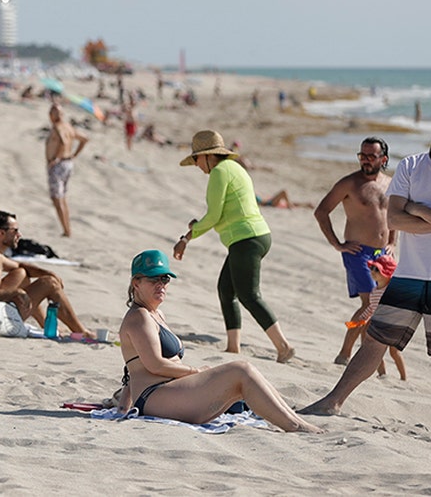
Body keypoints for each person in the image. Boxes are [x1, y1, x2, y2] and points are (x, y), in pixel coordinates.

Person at [301, 119, 431, 435]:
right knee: (375, 339)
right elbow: (395, 219)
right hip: (409, 272)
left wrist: (419, 209)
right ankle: (332, 401)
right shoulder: (413, 166)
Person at [116, 250, 323, 433]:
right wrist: (197, 372)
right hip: (156, 397)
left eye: (165, 279)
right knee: (241, 370)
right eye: (154, 280)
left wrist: (123, 403)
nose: (161, 285)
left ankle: (295, 420)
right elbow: (155, 365)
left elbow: (133, 366)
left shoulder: (156, 314)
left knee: (244, 375)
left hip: (171, 393)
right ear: (136, 283)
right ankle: (294, 426)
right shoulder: (139, 317)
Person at [173, 130, 295, 363]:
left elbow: (213, 215)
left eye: (197, 159)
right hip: (254, 236)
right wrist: (198, 225)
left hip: (246, 239)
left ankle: (284, 346)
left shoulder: (219, 172)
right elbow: (221, 214)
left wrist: (187, 237)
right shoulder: (235, 167)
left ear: (208, 156)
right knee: (226, 290)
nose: (197, 165)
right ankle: (233, 346)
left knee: (249, 295)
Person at [313, 137, 397, 365]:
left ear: (384, 159)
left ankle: (370, 357)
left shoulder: (391, 183)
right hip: (357, 252)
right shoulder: (349, 184)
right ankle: (345, 353)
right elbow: (321, 212)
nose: (366, 160)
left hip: (382, 255)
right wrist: (336, 244)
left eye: (371, 156)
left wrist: (392, 241)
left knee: (375, 306)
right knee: (370, 303)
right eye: (362, 155)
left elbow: (393, 215)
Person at [0, 210, 95, 339]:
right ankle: (81, 332)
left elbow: (19, 266)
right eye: (15, 231)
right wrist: (16, 292)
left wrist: (49, 272)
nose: (19, 235)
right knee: (49, 283)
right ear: (1, 233)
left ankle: (44, 324)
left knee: (21, 274)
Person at [45, 102, 88, 237]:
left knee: (57, 199)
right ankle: (67, 228)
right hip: (67, 163)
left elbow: (63, 141)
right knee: (62, 197)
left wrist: (56, 158)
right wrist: (74, 154)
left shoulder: (58, 128)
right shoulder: (68, 127)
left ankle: (66, 230)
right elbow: (84, 139)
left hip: (59, 164)